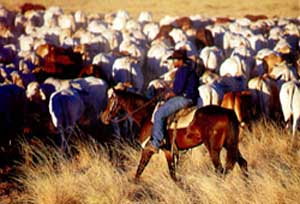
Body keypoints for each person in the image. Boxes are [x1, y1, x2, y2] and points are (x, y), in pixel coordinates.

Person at [144, 49, 199, 153]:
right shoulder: (190, 69)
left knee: (159, 113)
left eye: (174, 60)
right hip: (192, 98)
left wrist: (170, 93)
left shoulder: (181, 70)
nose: (173, 62)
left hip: (184, 98)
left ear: (180, 60)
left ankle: (156, 143)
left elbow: (178, 90)